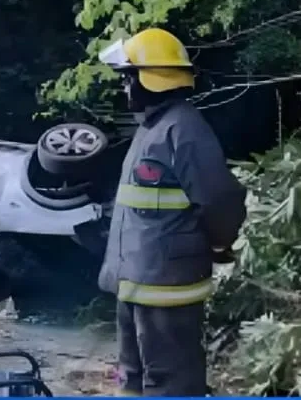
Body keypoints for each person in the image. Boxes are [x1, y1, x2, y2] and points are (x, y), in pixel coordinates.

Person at [96, 28, 247, 396]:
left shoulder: (184, 129)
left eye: (127, 78)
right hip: (134, 283)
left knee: (170, 382)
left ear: (149, 80)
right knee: (132, 378)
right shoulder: (152, 128)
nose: (124, 87)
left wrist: (218, 245)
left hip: (166, 289)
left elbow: (220, 199)